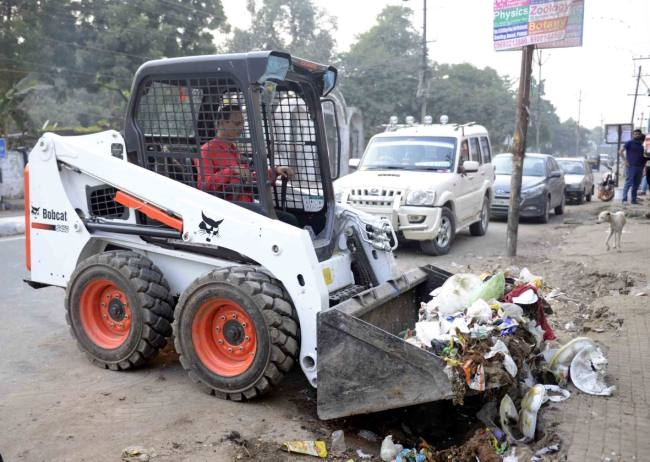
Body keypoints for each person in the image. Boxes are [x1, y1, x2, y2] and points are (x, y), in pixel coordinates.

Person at [195, 104, 294, 202]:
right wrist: (232, 171)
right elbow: (203, 185)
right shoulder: (206, 151)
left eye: (242, 124)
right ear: (222, 123)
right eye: (237, 124)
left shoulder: (233, 150)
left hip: (248, 205)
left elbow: (249, 177)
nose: (241, 128)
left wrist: (275, 171)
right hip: (230, 208)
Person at [618, 129, 646, 204]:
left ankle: (634, 200)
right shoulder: (629, 143)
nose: (636, 135)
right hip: (631, 166)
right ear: (633, 135)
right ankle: (624, 200)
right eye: (635, 134)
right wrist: (625, 161)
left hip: (639, 167)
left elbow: (642, 156)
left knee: (636, 184)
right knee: (628, 183)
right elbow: (620, 152)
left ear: (640, 135)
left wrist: (643, 168)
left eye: (638, 134)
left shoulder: (641, 145)